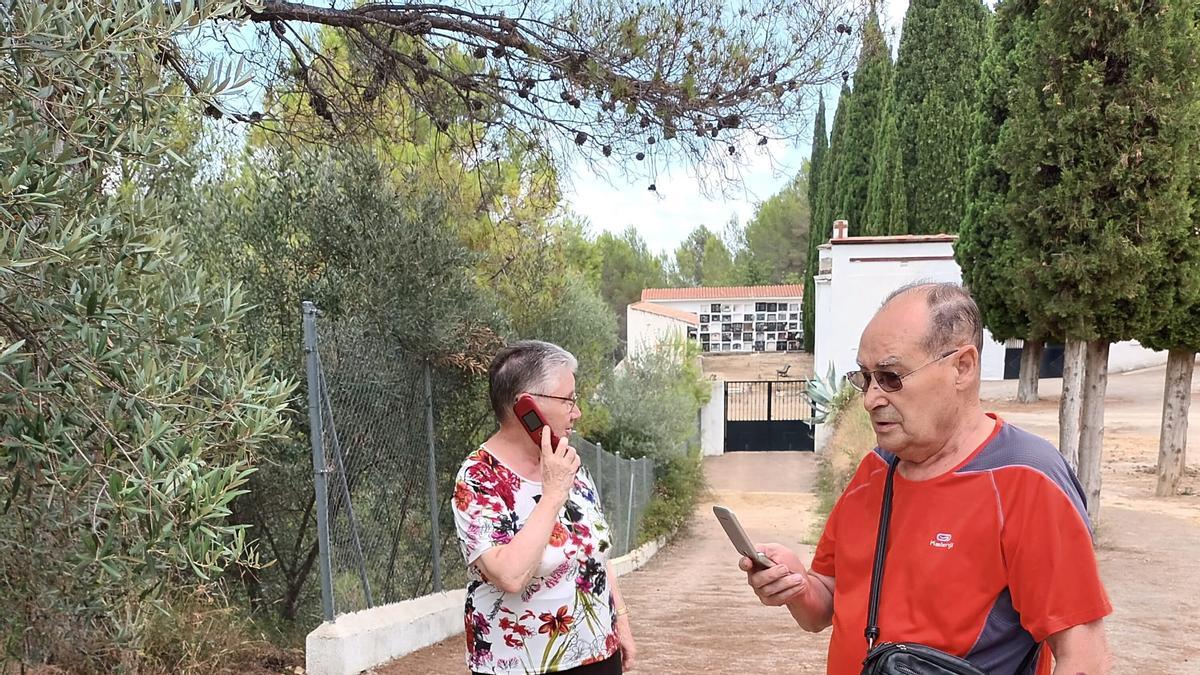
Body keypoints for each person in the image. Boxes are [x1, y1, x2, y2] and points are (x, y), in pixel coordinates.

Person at [741, 283, 1112, 674]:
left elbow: (1084, 655)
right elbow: (824, 608)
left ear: (962, 367)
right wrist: (796, 585)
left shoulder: (1027, 478)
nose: (871, 398)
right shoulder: (874, 470)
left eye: (891, 377)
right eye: (865, 378)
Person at [453, 340, 637, 675]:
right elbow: (510, 575)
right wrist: (552, 495)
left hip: (597, 653)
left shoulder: (568, 464)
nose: (577, 412)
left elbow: (594, 551)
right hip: (520, 665)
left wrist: (619, 619)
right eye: (569, 400)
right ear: (527, 407)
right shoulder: (479, 477)